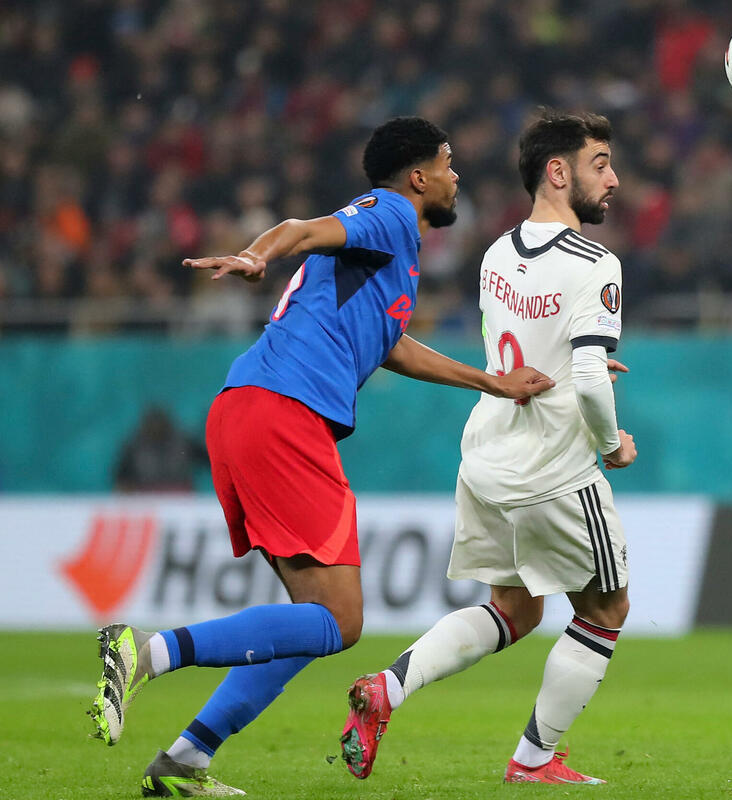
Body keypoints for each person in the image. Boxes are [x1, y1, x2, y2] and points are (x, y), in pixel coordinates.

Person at [89, 116, 554, 797]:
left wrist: (491, 382)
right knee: (341, 620)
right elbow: (302, 228)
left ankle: (185, 760)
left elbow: (392, 346)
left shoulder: (391, 258)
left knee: (308, 624)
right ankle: (145, 655)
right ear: (418, 176)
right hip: (286, 414)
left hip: (249, 409)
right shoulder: (389, 213)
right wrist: (256, 254)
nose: (456, 176)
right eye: (447, 163)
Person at [339, 110, 636, 786]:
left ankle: (388, 687)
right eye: (599, 164)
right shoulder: (597, 263)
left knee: (516, 609)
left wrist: (576, 366)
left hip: (487, 460)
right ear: (556, 172)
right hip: (553, 471)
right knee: (605, 611)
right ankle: (534, 761)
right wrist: (610, 444)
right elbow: (589, 376)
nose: (614, 179)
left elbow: (537, 347)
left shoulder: (498, 252)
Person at [113, 406, 207, 493]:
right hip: (147, 497)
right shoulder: (134, 447)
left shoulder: (184, 443)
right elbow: (121, 479)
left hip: (180, 496)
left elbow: (208, 460)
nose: (156, 428)